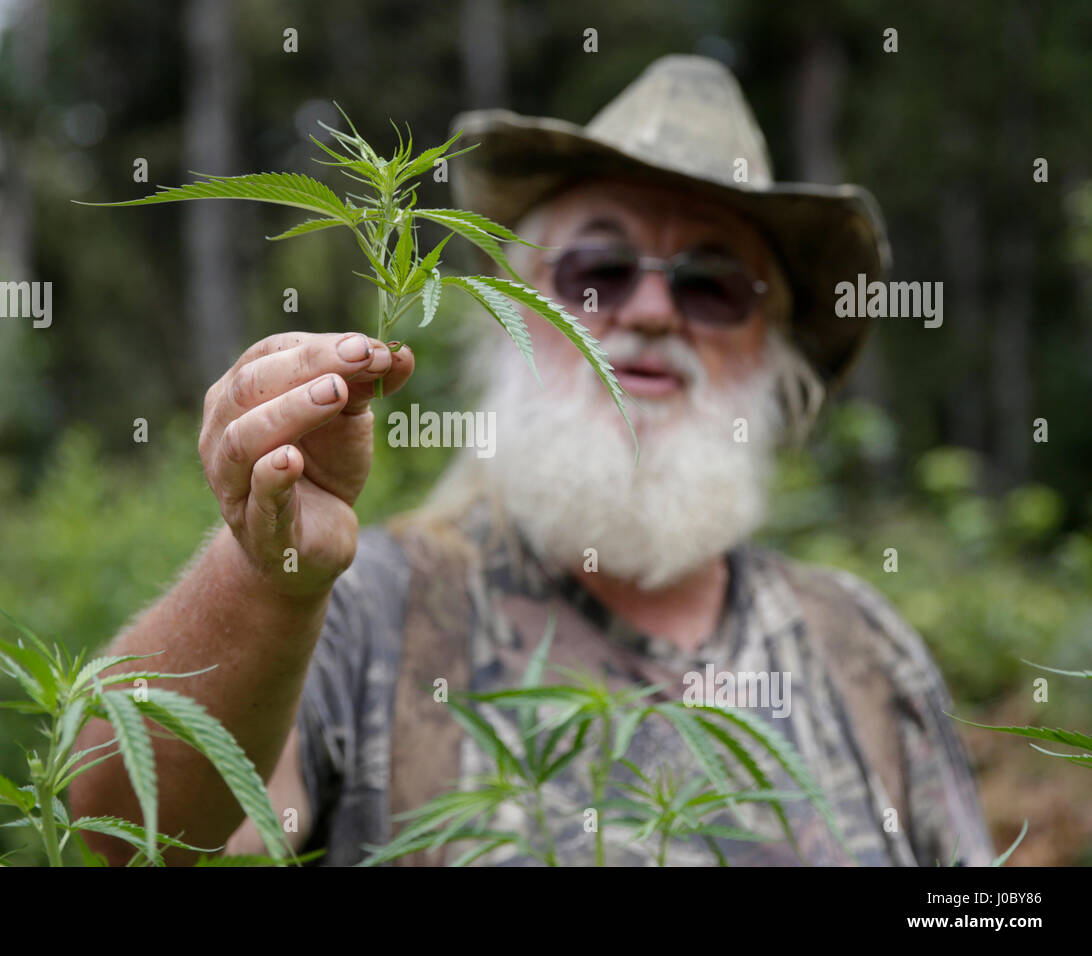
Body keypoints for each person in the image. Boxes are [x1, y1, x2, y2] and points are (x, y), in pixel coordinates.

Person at [69, 54, 995, 866]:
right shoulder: (367, 607)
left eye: (713, 287)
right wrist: (264, 580)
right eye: (597, 271)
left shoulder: (858, 646)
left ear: (773, 352)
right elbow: (125, 833)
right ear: (515, 308)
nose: (650, 312)